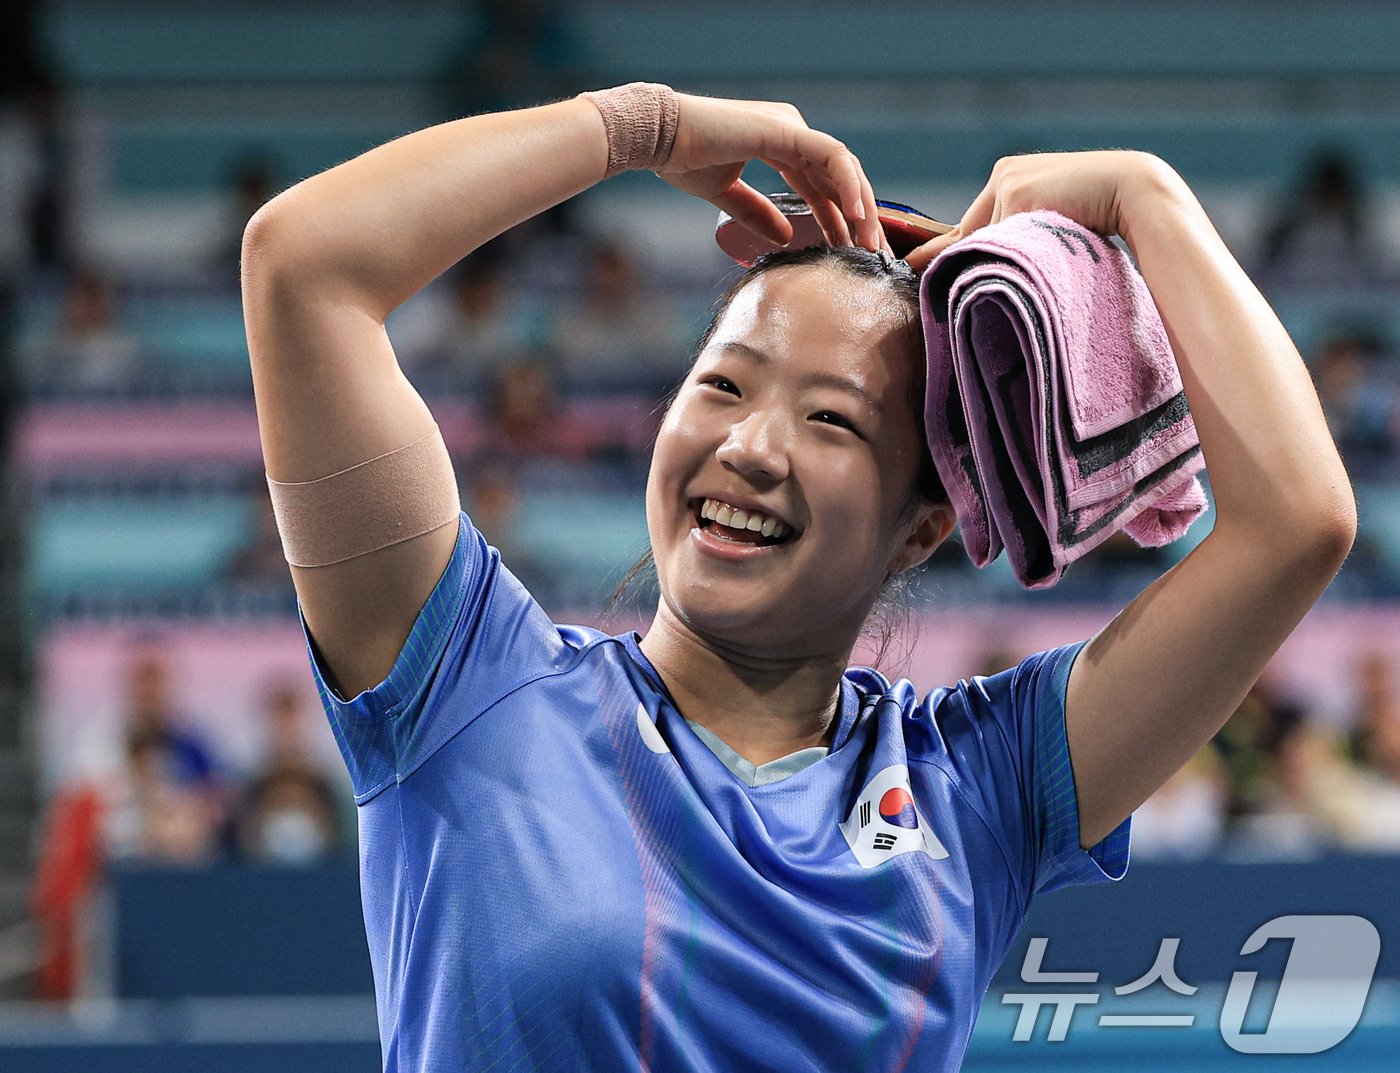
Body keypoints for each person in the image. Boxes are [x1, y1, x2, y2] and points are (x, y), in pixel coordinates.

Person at [240, 83, 1356, 1071]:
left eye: (830, 418)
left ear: (919, 528)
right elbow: (304, 266)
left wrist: (1140, 195)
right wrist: (638, 126)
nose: (751, 447)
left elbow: (1293, 521)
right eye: (724, 386)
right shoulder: (468, 692)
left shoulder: (976, 787)